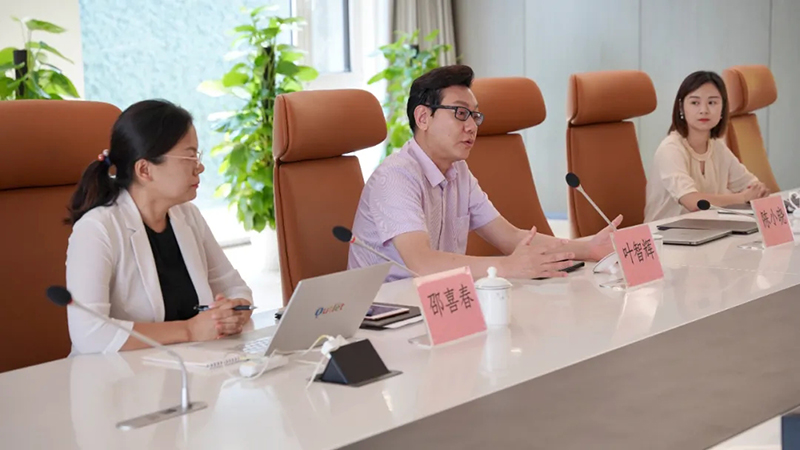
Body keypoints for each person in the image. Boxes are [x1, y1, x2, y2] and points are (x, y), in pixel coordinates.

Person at [348, 65, 621, 281]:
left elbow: (511, 238)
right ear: (423, 118)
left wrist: (588, 248)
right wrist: (507, 267)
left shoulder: (458, 172)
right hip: (386, 314)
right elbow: (422, 263)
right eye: (460, 113)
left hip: (437, 303)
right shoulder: (395, 176)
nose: (471, 126)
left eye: (475, 116)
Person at [65, 99, 253, 354]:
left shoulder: (187, 215)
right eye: (189, 156)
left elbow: (234, 287)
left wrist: (234, 312)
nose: (200, 167)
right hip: (118, 375)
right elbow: (89, 333)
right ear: (145, 169)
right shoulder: (97, 229)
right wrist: (189, 330)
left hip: (193, 365)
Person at [644, 71, 770, 222]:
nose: (704, 110)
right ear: (681, 107)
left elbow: (750, 185)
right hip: (665, 232)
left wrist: (757, 191)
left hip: (707, 228)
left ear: (723, 108)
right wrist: (742, 198)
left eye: (712, 103)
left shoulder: (717, 146)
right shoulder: (670, 149)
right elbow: (694, 203)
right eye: (695, 103)